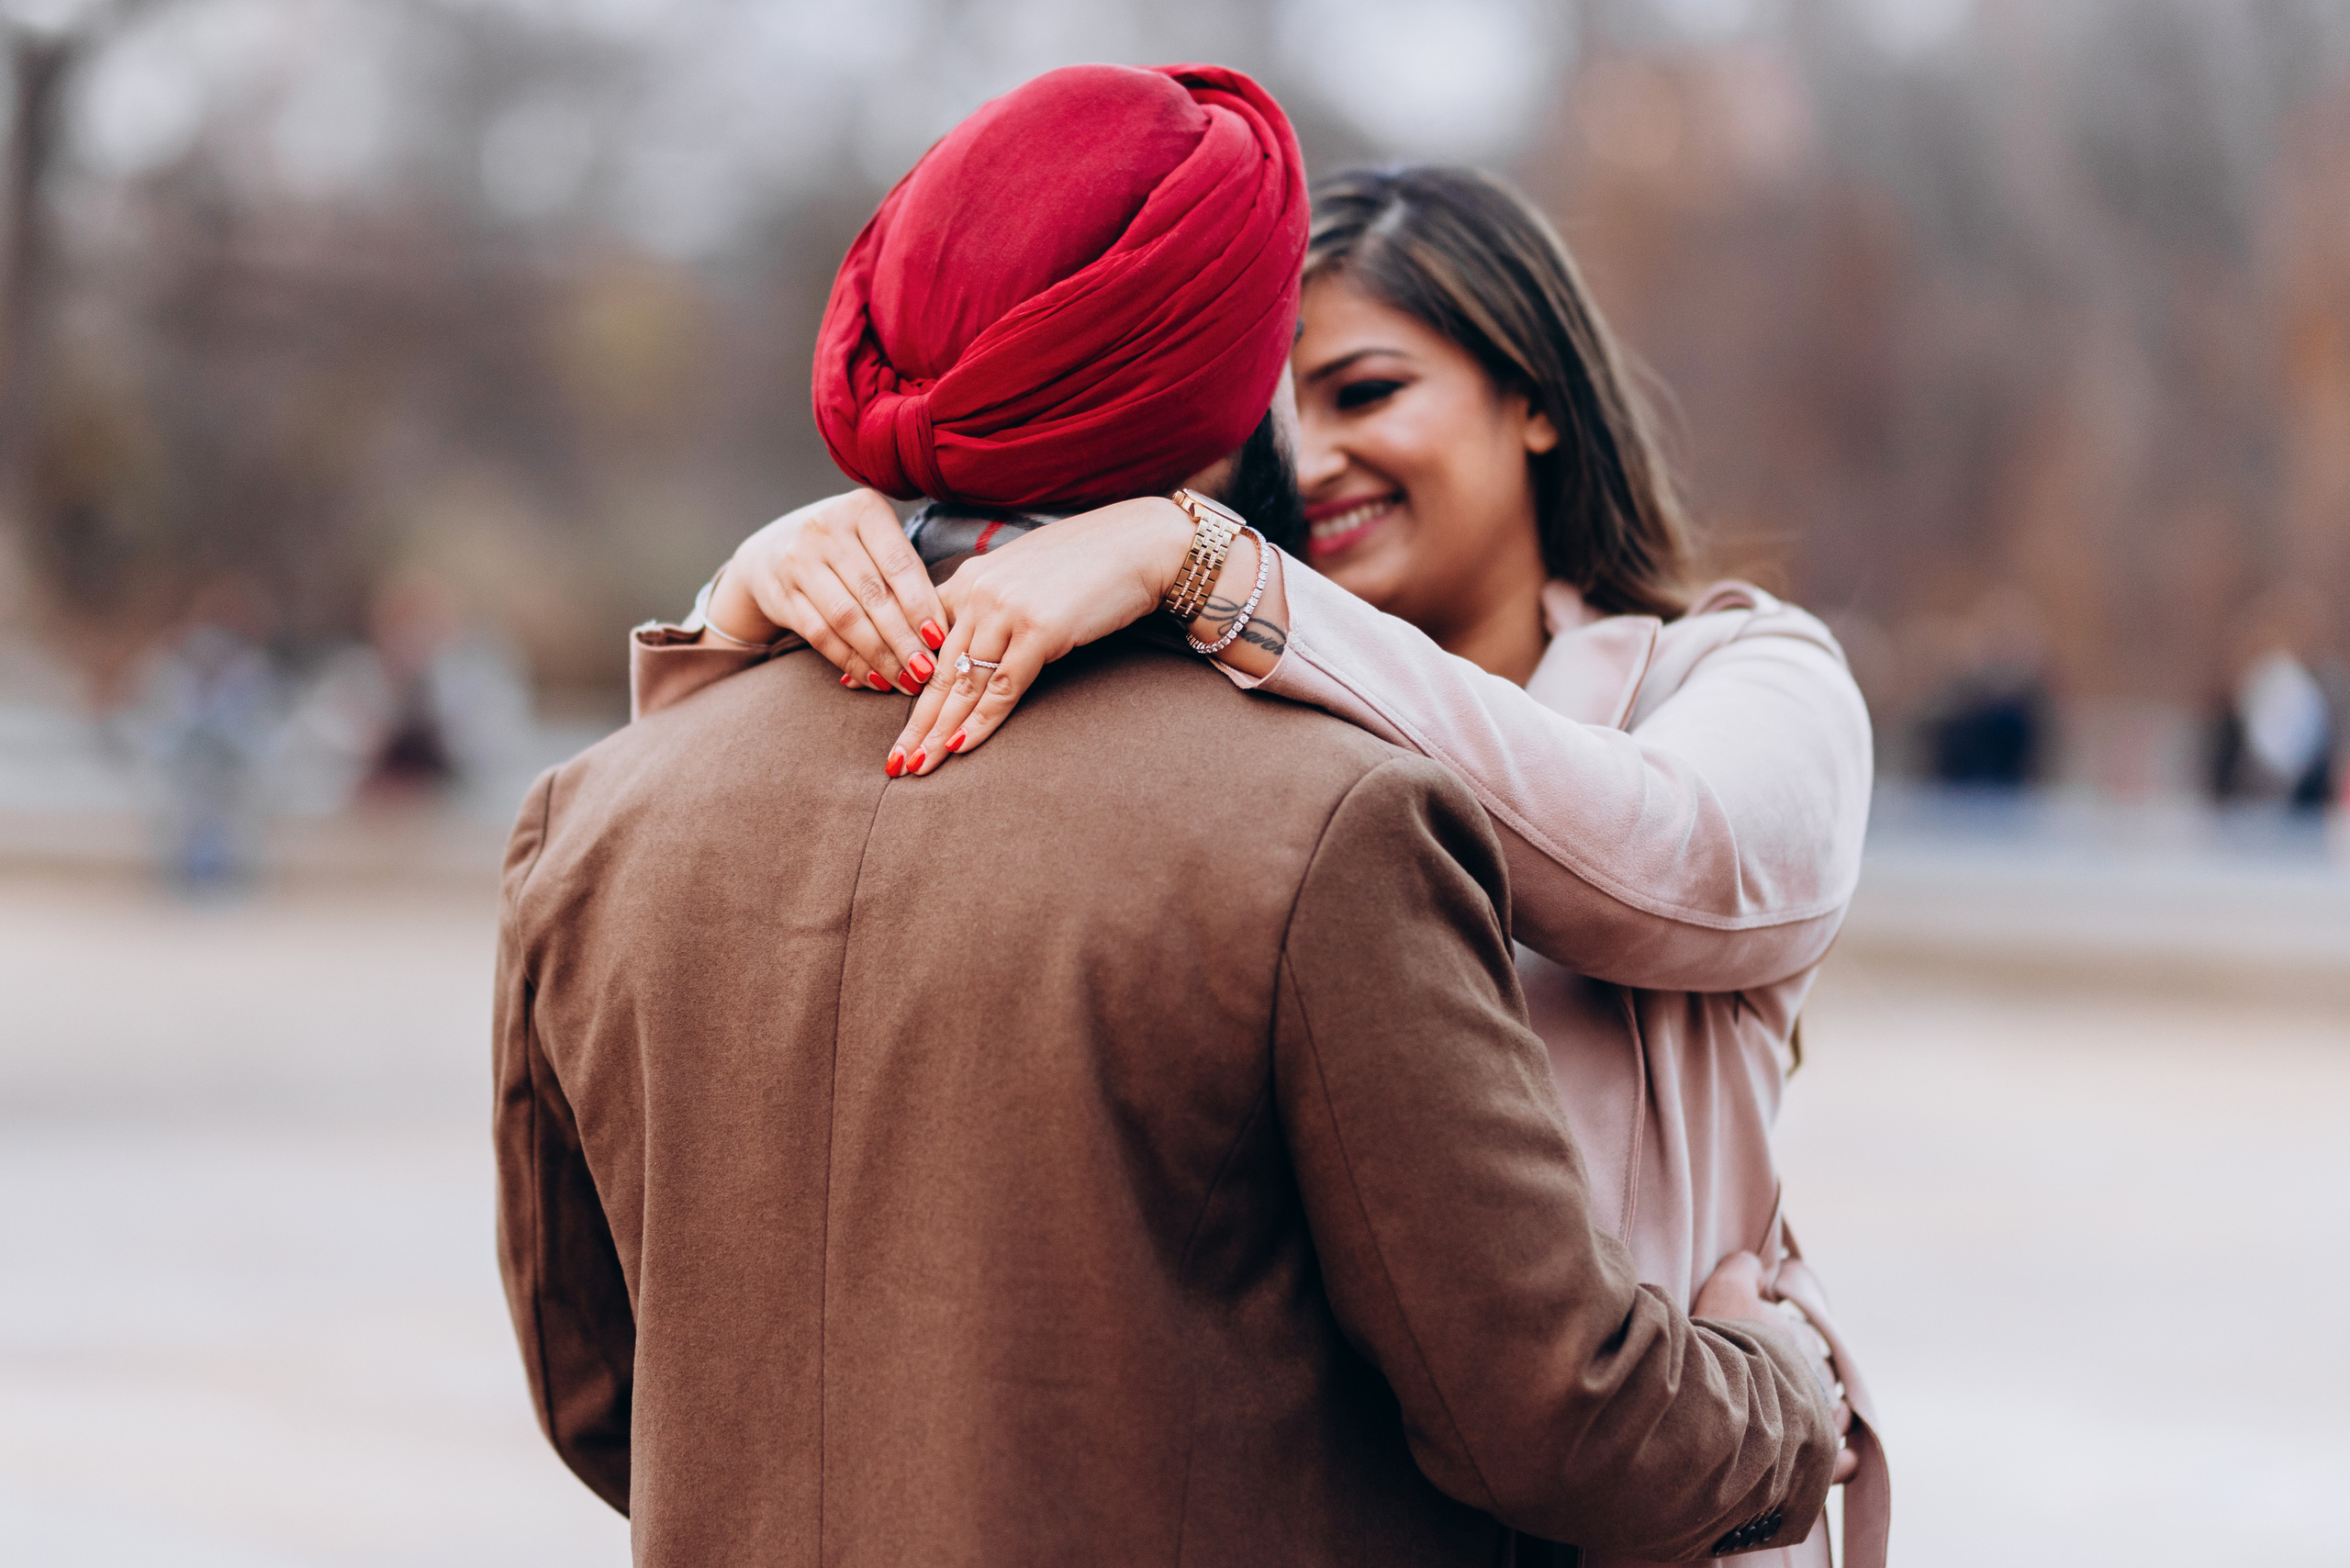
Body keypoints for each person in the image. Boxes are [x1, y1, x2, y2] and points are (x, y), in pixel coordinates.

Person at [500, 63, 1846, 1566]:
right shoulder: (1320, 822)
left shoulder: (593, 813)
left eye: (1370, 389)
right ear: (1210, 394)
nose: (1320, 453)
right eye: (1289, 381)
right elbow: (1544, 1416)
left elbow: (608, 1396)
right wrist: (1785, 1386)